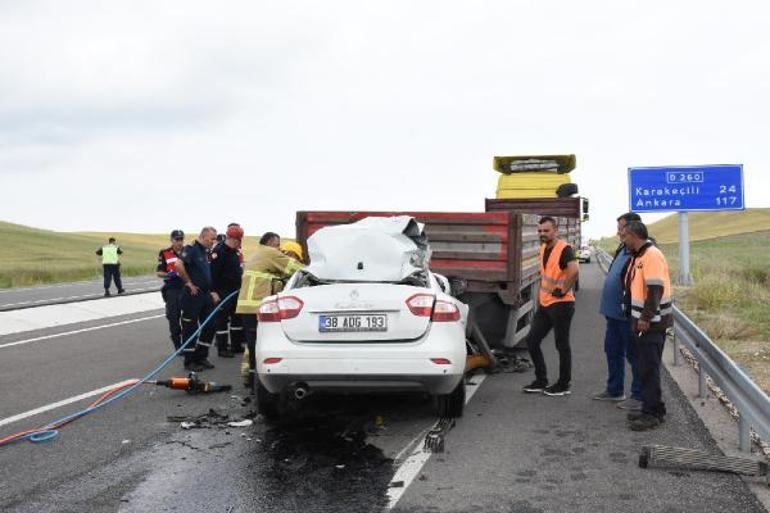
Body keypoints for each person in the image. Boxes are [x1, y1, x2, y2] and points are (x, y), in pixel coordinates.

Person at [235, 232, 305, 389]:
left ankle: (250, 377)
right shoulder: (270, 253)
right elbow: (295, 269)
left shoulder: (257, 254)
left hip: (247, 306)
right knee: (257, 343)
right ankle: (255, 381)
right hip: (256, 305)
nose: (279, 248)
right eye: (277, 244)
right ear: (271, 242)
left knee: (252, 343)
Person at [622, 221, 672, 431]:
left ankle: (651, 414)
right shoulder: (640, 255)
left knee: (648, 369)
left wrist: (645, 318)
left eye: (625, 236)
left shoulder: (651, 255)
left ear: (634, 235)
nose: (622, 239)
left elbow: (654, 291)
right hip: (642, 322)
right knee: (644, 368)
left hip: (650, 325)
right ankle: (653, 408)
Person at [523, 216, 579, 396]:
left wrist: (563, 290)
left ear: (555, 231)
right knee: (532, 340)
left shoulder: (564, 249)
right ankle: (541, 380)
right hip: (546, 303)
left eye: (546, 231)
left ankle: (563, 384)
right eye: (539, 231)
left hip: (562, 304)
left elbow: (574, 271)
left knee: (562, 344)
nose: (542, 234)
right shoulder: (543, 247)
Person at [593, 213, 643, 409]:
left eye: (622, 228)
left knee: (634, 356)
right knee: (612, 351)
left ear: (633, 229)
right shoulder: (624, 247)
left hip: (628, 316)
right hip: (613, 314)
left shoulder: (641, 250)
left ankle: (638, 396)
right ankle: (614, 390)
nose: (619, 232)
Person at [175, 226, 219, 372]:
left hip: (206, 295)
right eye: (212, 238)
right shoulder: (191, 249)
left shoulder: (205, 252)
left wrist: (212, 291)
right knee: (190, 327)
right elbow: (178, 265)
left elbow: (205, 274)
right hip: (193, 296)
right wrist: (189, 283)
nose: (214, 242)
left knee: (210, 325)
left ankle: (201, 356)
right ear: (204, 236)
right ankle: (189, 361)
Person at [210, 224, 245, 358]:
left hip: (235, 291)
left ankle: (236, 345)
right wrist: (213, 292)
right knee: (222, 321)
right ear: (235, 239)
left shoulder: (234, 252)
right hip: (222, 292)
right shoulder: (219, 252)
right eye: (240, 240)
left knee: (237, 320)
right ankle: (222, 348)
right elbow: (212, 274)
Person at [156, 230, 185, 352]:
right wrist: (169, 274)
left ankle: (188, 343)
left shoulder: (188, 252)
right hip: (173, 289)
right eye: (176, 239)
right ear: (171, 240)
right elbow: (159, 272)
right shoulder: (165, 253)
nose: (179, 242)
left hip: (187, 288)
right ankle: (178, 345)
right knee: (173, 317)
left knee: (189, 318)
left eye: (181, 239)